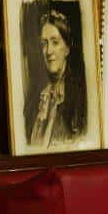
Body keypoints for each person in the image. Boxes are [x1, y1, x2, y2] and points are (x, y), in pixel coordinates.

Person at [25, 9, 87, 147]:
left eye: (55, 42)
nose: (48, 51)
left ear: (67, 48)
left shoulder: (79, 97)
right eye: (44, 43)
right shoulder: (36, 99)